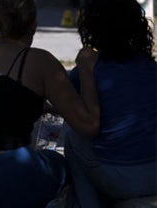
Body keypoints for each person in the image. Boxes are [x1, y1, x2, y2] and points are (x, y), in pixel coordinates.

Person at [0, 0, 100, 207]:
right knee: (62, 163)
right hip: (8, 175)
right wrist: (87, 69)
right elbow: (89, 125)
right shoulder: (41, 61)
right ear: (34, 26)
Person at [64, 0, 156, 207]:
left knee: (72, 137)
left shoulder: (89, 69)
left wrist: (85, 69)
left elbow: (84, 119)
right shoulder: (150, 66)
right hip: (154, 172)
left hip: (121, 177)